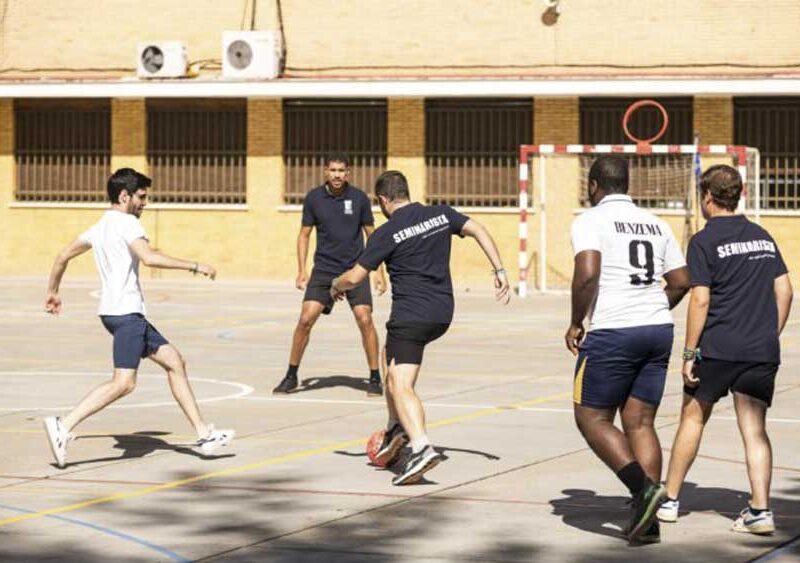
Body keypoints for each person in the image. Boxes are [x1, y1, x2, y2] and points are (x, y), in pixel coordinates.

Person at [43, 168, 234, 468]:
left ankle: (204, 434)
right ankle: (63, 426)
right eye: (141, 197)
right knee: (124, 383)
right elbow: (149, 257)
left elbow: (62, 256)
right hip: (126, 314)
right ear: (124, 196)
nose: (145, 203)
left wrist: (53, 291)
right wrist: (195, 266)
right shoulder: (128, 223)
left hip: (115, 313)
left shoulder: (100, 226)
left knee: (175, 361)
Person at [330, 170, 510, 485]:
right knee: (389, 358)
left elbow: (355, 278)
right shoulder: (441, 214)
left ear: (383, 200)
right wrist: (500, 270)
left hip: (411, 316)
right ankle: (395, 425)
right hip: (442, 313)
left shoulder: (386, 233)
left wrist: (335, 284)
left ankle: (421, 446)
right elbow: (478, 229)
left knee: (401, 383)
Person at [658, 165, 793, 534]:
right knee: (755, 430)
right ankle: (760, 511)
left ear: (707, 197)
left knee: (692, 418)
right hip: (760, 351)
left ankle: (669, 501)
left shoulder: (703, 241)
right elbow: (785, 291)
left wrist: (689, 354)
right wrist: (769, 334)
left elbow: (700, 299)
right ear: (740, 193)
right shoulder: (763, 237)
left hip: (717, 349)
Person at [565, 156, 690, 544]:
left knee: (591, 418)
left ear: (593, 185)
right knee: (640, 422)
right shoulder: (656, 223)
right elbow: (681, 280)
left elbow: (587, 274)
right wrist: (649, 308)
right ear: (627, 184)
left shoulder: (590, 220)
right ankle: (647, 523)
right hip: (657, 329)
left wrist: (576, 321)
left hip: (613, 331)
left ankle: (644, 490)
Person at [273, 154, 387, 396]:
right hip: (324, 269)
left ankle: (375, 377)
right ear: (326, 171)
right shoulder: (314, 198)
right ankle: (291, 375)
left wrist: (379, 272)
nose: (337, 175)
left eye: (341, 170)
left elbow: (372, 235)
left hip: (355, 269)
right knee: (306, 319)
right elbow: (304, 235)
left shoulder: (359, 198)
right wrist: (301, 270)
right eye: (333, 170)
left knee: (365, 319)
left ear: (348, 173)